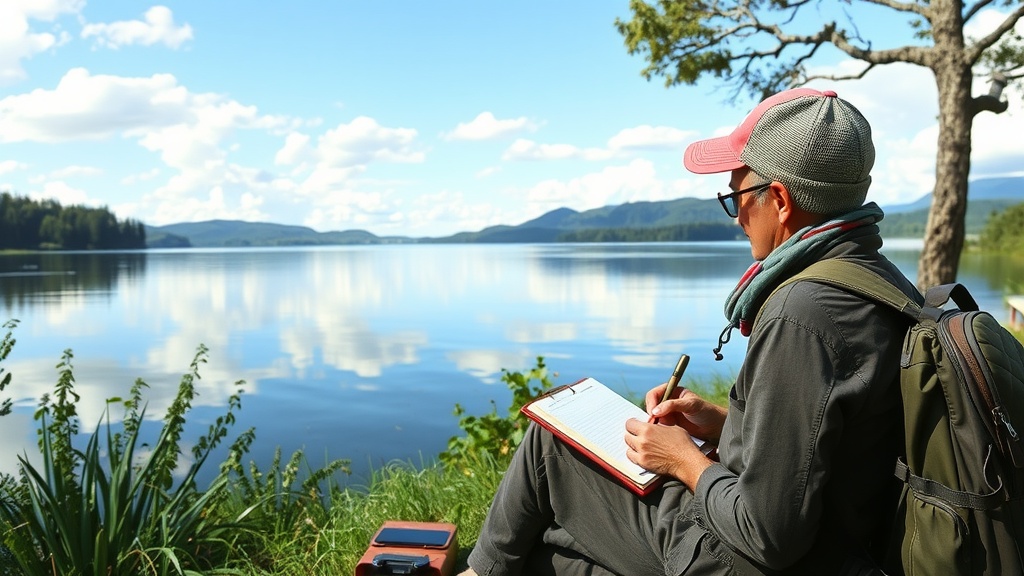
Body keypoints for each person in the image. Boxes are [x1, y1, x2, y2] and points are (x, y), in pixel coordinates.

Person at [459, 87, 922, 576]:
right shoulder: (876, 280)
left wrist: (683, 460)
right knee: (546, 556)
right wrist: (727, 426)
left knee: (549, 443)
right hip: (840, 546)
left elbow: (770, 535)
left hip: (754, 561)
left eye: (737, 196)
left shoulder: (802, 313)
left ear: (781, 201)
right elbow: (833, 449)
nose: (738, 215)